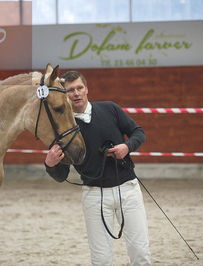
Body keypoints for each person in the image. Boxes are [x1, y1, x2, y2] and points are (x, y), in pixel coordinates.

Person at [44, 71, 151, 266]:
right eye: (70, 90)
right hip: (94, 196)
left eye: (79, 88)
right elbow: (61, 175)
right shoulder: (62, 128)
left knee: (140, 253)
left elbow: (138, 132)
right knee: (101, 259)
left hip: (128, 190)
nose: (76, 93)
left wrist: (127, 147)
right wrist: (50, 164)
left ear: (86, 89)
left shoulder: (110, 109)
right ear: (64, 95)